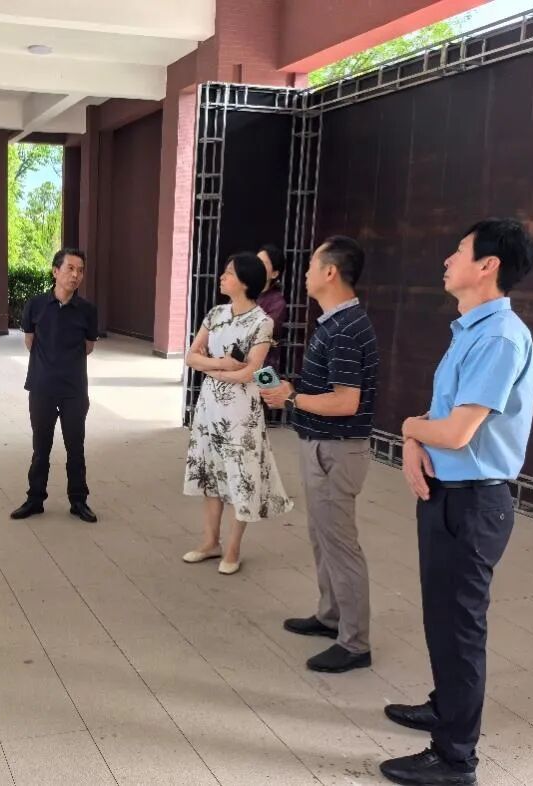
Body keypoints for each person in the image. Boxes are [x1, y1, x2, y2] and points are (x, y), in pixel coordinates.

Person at [379, 219, 533, 786]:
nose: (448, 259)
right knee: (443, 619)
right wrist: (413, 440)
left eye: (460, 250)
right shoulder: (471, 330)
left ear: (488, 265)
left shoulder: (498, 337)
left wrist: (408, 428)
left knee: (461, 629)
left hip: (473, 505)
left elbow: (456, 432)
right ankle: (445, 707)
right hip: (449, 497)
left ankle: (455, 758)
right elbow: (441, 418)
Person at [260, 236, 379, 673]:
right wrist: (294, 390)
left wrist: (291, 398)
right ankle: (331, 617)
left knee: (340, 545)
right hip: (323, 446)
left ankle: (355, 643)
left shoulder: (346, 329)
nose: (306, 272)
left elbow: (346, 401)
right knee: (322, 537)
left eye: (312, 264)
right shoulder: (335, 323)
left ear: (331, 272)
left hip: (336, 450)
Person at [182, 252, 294, 574]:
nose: (222, 277)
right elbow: (191, 356)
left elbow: (250, 372)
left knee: (240, 475)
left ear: (245, 282)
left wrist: (212, 369)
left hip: (240, 411)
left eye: (229, 273)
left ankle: (233, 548)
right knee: (211, 472)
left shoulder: (262, 322)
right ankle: (210, 541)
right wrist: (222, 365)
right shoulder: (215, 313)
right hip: (210, 406)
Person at [11, 249, 100, 524]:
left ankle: (79, 501)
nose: (76, 275)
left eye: (80, 270)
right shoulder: (36, 305)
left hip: (74, 389)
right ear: (55, 271)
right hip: (42, 387)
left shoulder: (87, 311)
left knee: (76, 448)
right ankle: (35, 499)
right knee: (41, 447)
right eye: (70, 268)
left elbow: (88, 347)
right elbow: (30, 341)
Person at [256, 243, 288, 373]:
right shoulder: (240, 293)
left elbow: (260, 334)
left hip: (262, 371)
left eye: (263, 263)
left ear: (274, 274)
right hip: (234, 366)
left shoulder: (277, 303)